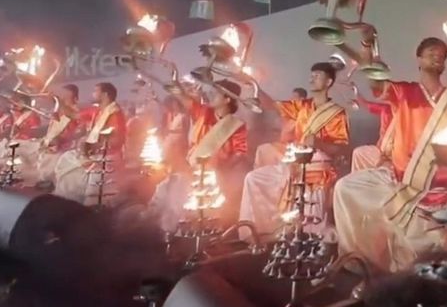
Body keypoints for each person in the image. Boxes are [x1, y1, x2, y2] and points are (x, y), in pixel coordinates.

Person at [332, 37, 447, 273]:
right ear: (419, 59)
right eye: (431, 51)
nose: (438, 55)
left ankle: (434, 236)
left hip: (439, 187)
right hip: (403, 179)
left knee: (433, 253)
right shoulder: (403, 91)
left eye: (442, 53)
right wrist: (366, 45)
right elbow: (373, 75)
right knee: (345, 187)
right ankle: (360, 261)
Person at [238, 63, 350, 235]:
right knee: (253, 178)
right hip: (294, 163)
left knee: (309, 228)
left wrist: (318, 143)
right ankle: (260, 234)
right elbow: (272, 105)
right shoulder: (302, 106)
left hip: (318, 166)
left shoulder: (337, 113)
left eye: (317, 76)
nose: (312, 79)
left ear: (328, 82)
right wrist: (253, 85)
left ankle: (310, 238)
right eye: (311, 75)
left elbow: (340, 148)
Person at [147, 82, 249, 232]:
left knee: (182, 192)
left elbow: (240, 153)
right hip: (191, 168)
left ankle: (182, 231)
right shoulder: (204, 112)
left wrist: (221, 170)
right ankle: (160, 228)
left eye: (217, 93)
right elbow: (186, 101)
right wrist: (177, 88)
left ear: (227, 99)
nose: (212, 95)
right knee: (166, 188)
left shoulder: (236, 125)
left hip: (215, 174)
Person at [54, 82, 127, 204]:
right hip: (92, 154)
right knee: (65, 160)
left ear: (104, 94)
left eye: (95, 91)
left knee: (73, 172)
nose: (93, 94)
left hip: (106, 158)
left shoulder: (115, 114)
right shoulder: (96, 111)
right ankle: (68, 201)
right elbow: (74, 115)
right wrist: (57, 100)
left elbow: (117, 141)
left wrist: (93, 146)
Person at [349, 82, 396, 172]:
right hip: (380, 150)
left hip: (395, 156)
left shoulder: (406, 113)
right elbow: (367, 105)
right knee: (358, 152)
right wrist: (357, 94)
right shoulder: (386, 109)